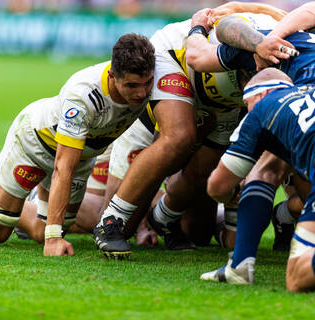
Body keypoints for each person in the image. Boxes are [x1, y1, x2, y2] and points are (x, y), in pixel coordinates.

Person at [93, 2, 287, 259]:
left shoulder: (295, 62)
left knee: (204, 170)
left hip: (222, 99)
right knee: (180, 136)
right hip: (179, 58)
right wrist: (201, 25)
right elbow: (200, 50)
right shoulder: (237, 46)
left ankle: (164, 217)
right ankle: (111, 221)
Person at [185, 4, 315, 280]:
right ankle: (283, 220)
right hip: (300, 94)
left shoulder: (254, 47)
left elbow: (198, 54)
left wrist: (199, 26)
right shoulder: (293, 33)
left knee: (265, 168)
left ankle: (241, 265)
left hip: (302, 100)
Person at [0, 33, 155, 256]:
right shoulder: (83, 94)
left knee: (42, 231)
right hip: (35, 145)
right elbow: (63, 167)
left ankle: (26, 199)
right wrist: (54, 240)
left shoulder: (154, 84)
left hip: (80, 157)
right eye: (132, 85)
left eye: (146, 83)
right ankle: (7, 205)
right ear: (112, 75)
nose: (142, 93)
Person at [201, 68, 315, 292]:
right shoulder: (307, 92)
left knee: (297, 278)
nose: (247, 111)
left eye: (247, 103)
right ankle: (239, 266)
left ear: (263, 94)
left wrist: (232, 196)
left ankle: (240, 265)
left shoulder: (262, 109)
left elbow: (217, 186)